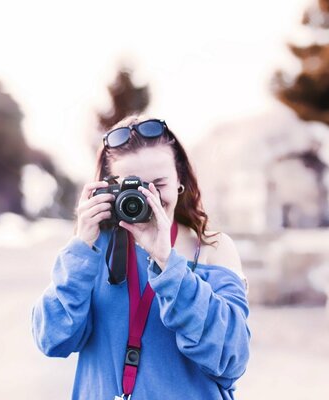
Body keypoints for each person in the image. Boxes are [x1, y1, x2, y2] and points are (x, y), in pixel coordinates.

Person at [32, 115, 251, 399]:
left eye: (158, 184)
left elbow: (232, 358)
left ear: (179, 180)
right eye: (133, 186)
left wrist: (167, 262)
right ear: (108, 189)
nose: (150, 197)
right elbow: (52, 339)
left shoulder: (211, 248)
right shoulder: (93, 251)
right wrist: (80, 249)